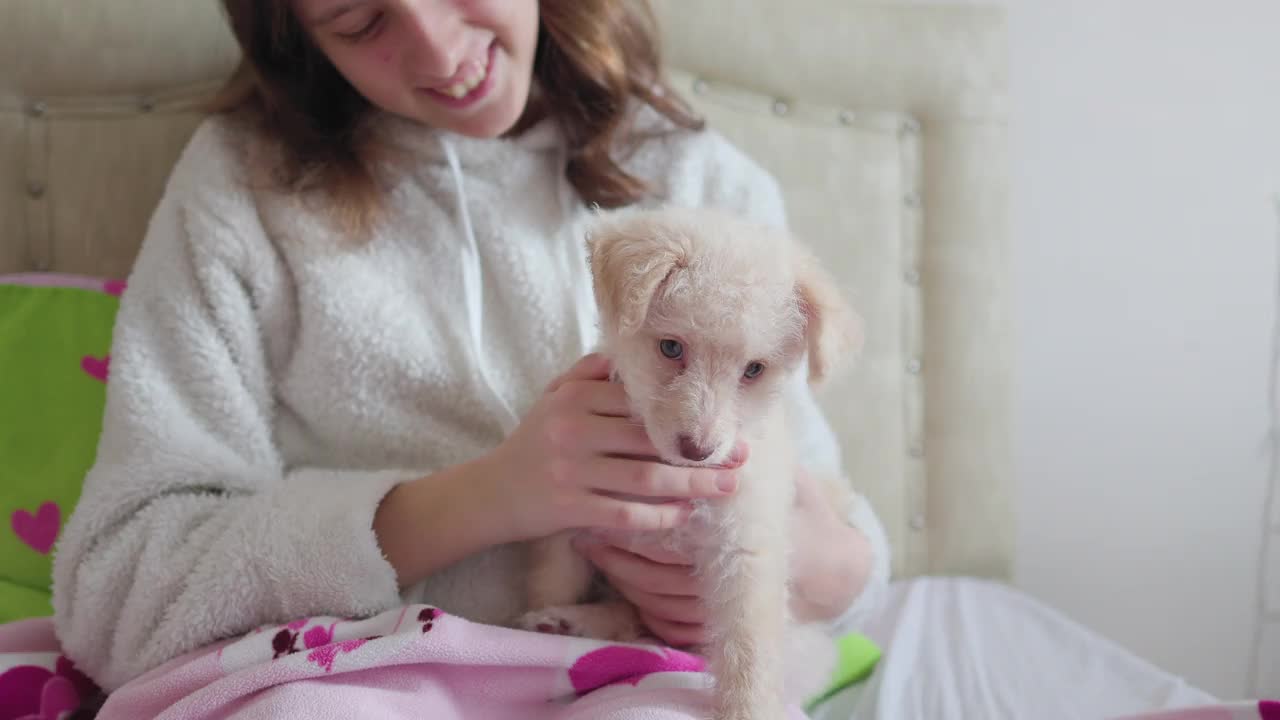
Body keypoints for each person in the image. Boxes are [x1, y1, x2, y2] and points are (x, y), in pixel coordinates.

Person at [50, 0, 892, 696]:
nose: (438, 48)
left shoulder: (699, 186)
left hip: (632, 676)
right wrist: (479, 500)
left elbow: (843, 553)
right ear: (294, 30)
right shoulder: (239, 190)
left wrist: (817, 568)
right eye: (358, 18)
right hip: (348, 676)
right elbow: (117, 597)